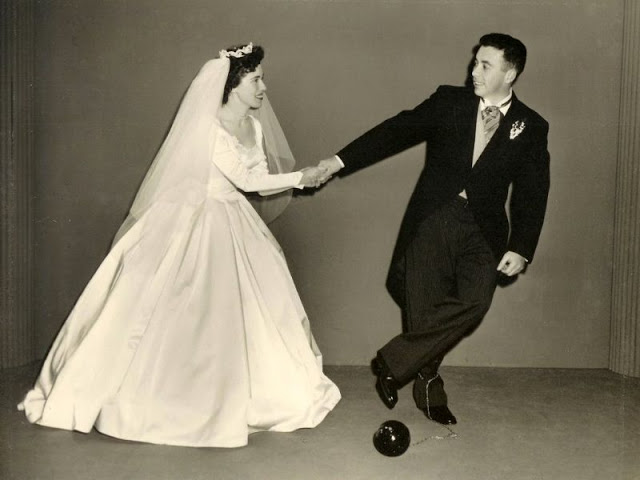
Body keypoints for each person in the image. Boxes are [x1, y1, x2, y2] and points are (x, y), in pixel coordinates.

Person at [18, 43, 340, 448]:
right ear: (232, 84)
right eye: (256, 79)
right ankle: (179, 399)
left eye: (262, 79)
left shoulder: (254, 128)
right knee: (185, 307)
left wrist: (299, 178)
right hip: (198, 219)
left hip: (234, 219)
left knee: (252, 306)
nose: (263, 87)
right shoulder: (210, 129)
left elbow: (257, 181)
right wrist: (299, 178)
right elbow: (247, 180)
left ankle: (254, 391)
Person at [316, 33, 550, 425]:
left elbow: (533, 191)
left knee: (475, 301)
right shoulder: (449, 101)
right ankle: (428, 387)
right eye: (475, 61)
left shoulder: (532, 126)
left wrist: (521, 246)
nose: (474, 70)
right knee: (424, 313)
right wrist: (339, 161)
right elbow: (397, 130)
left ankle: (393, 361)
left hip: (484, 230)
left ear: (510, 74)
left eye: (485, 65)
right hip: (434, 218)